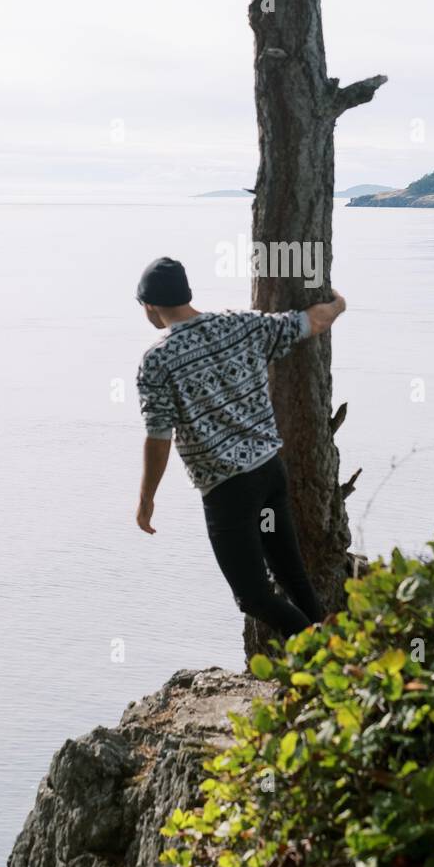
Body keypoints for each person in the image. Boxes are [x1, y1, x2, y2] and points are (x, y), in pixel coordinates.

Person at [134, 256, 346, 639]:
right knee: (290, 573)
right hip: (268, 473)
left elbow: (159, 437)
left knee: (252, 596)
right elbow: (311, 322)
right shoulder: (240, 325)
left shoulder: (157, 361)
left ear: (150, 306)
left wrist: (147, 498)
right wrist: (338, 303)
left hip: (227, 490)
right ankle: (335, 660)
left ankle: (322, 656)